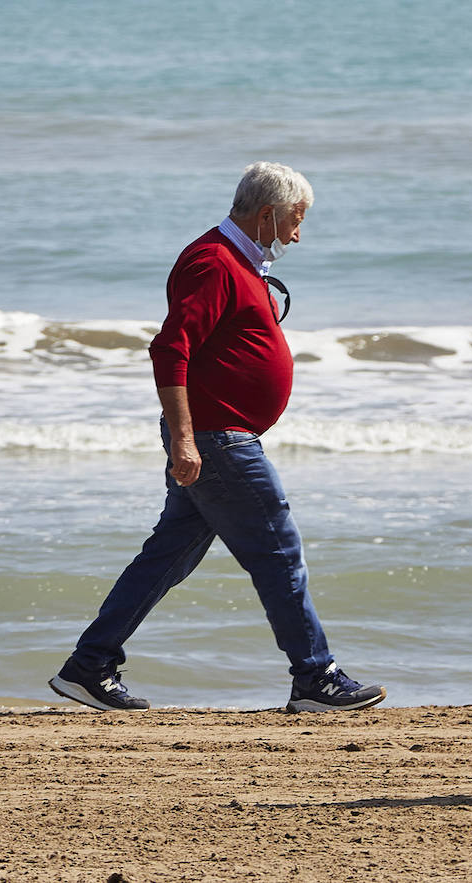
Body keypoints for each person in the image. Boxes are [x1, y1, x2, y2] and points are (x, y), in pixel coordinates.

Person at [49, 162, 385, 713]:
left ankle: (89, 665)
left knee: (166, 558)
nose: (299, 235)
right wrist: (185, 439)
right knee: (279, 552)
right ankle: (315, 678)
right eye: (296, 221)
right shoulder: (214, 263)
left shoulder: (240, 262)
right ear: (267, 215)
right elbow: (170, 349)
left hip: (218, 436)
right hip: (218, 439)